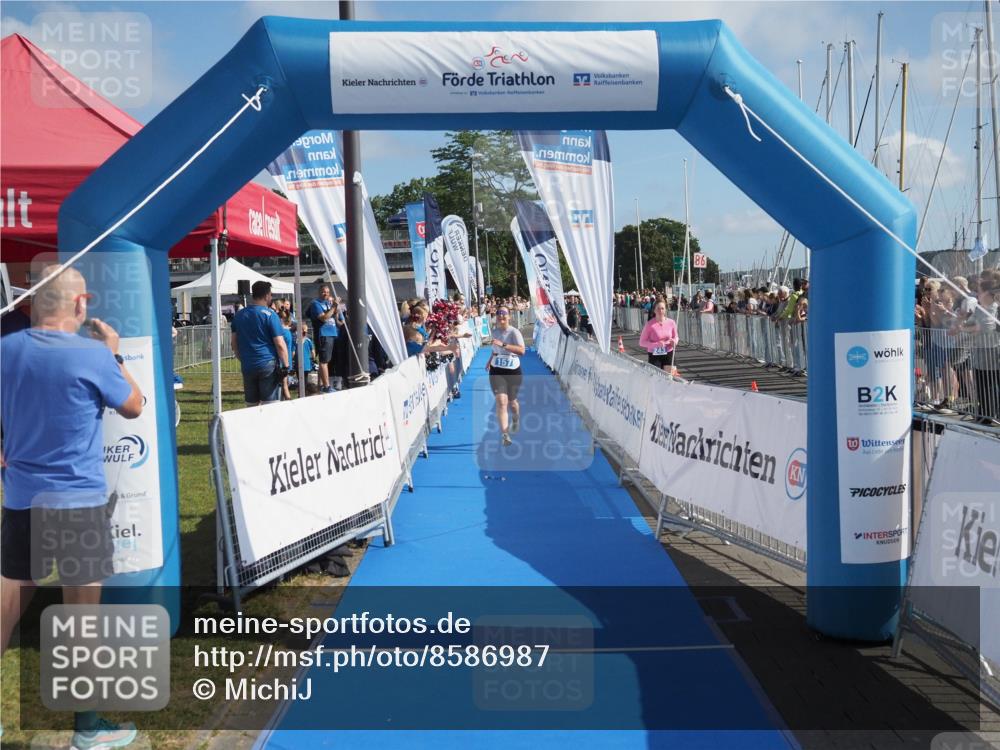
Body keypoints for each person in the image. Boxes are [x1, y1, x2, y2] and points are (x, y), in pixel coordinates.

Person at [1, 266, 143, 749]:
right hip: (78, 502)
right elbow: (134, 405)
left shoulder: (6, 349)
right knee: (81, 617)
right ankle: (87, 727)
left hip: (21, 499)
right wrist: (115, 351)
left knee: (6, 609)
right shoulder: (92, 354)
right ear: (80, 303)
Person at [230, 281, 290, 406]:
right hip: (267, 363)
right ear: (267, 295)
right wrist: (286, 365)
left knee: (251, 405)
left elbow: (234, 342)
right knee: (270, 404)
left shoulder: (239, 315)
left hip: (248, 364)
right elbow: (280, 343)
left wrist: (241, 358)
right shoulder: (270, 315)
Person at [486, 307, 526, 447]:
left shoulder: (515, 332)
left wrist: (504, 344)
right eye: (498, 314)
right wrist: (490, 359)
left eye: (504, 314)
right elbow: (495, 349)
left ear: (509, 316)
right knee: (502, 401)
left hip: (513, 371)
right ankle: (505, 434)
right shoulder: (494, 331)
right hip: (496, 370)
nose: (501, 316)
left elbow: (522, 351)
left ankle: (515, 419)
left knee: (512, 402)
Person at [308, 283, 339, 393]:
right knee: (323, 361)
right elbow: (324, 318)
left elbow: (336, 317)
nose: (325, 294)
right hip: (323, 334)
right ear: (319, 292)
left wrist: (335, 307)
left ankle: (320, 385)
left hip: (331, 333)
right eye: (323, 291)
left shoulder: (328, 303)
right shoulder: (316, 304)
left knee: (326, 360)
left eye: (327, 292)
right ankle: (326, 386)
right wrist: (334, 307)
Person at [638, 299, 680, 372]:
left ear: (665, 310)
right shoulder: (649, 324)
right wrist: (656, 344)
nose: (660, 311)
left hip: (669, 352)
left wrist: (674, 342)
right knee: (657, 378)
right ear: (654, 310)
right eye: (658, 308)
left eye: (662, 308)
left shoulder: (671, 322)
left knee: (671, 378)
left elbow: (676, 337)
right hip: (654, 355)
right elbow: (642, 342)